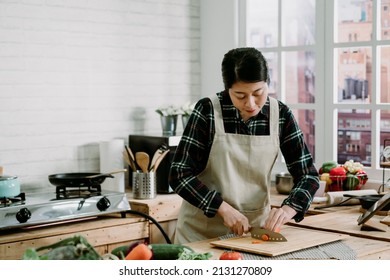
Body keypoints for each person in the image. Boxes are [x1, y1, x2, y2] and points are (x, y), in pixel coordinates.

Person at [169, 47, 319, 244]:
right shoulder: (207, 111)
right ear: (227, 89)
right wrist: (223, 208)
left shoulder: (280, 115)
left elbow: (308, 175)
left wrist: (288, 209)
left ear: (268, 84)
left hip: (253, 234)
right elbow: (179, 174)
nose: (250, 103)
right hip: (200, 234)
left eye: (258, 93)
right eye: (240, 95)